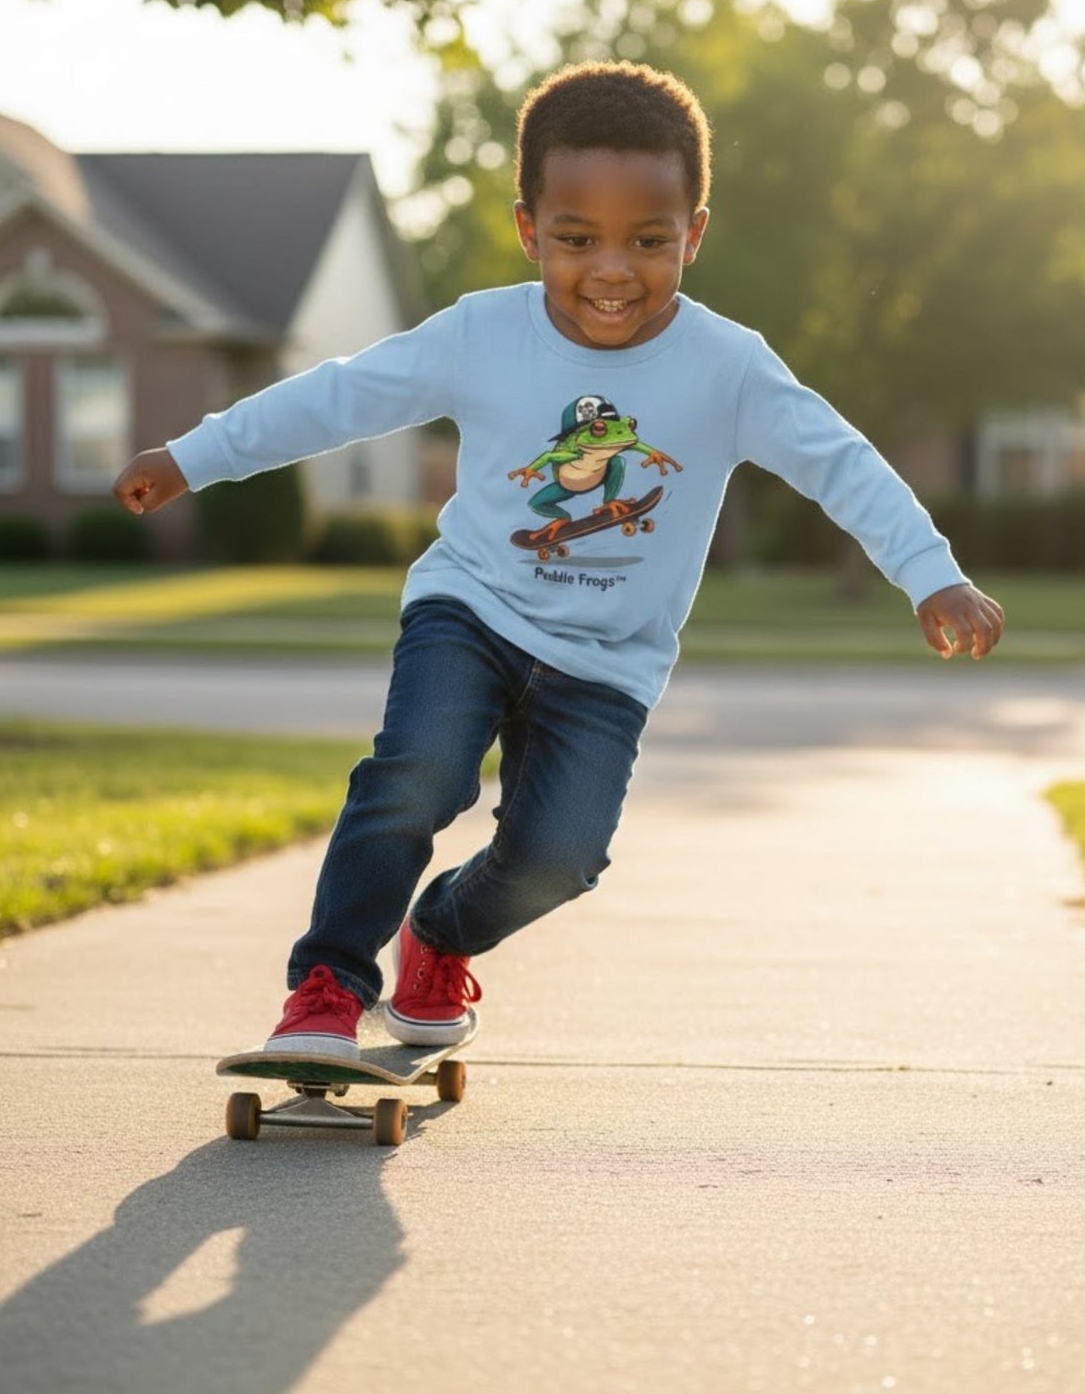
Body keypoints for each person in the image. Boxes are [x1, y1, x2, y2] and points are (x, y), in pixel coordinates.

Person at [111, 60, 1005, 1057]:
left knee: (560, 857)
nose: (611, 270)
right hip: (473, 609)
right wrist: (195, 455)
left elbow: (842, 464)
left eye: (648, 240)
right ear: (528, 228)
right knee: (415, 774)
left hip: (607, 660)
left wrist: (929, 570)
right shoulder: (480, 333)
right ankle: (326, 983)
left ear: (693, 235)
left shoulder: (728, 365)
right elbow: (338, 394)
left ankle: (439, 934)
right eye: (576, 239)